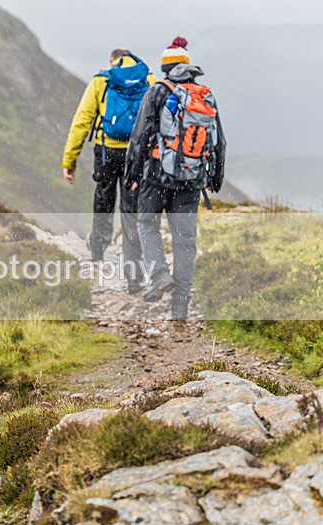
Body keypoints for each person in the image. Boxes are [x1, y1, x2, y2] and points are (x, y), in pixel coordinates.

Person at [124, 37, 226, 320]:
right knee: (184, 241)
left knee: (147, 224)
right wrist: (213, 179)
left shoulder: (157, 91)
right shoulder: (204, 95)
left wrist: (132, 176)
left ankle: (159, 276)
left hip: (156, 177)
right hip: (191, 181)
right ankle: (180, 305)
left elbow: (139, 137)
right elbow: (219, 142)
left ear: (165, 67)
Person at [61, 49, 157, 294]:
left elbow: (82, 121)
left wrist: (69, 160)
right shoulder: (149, 80)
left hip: (107, 152)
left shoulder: (101, 82)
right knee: (131, 209)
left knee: (104, 198)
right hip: (137, 154)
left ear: (111, 61)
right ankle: (134, 277)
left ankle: (97, 250)